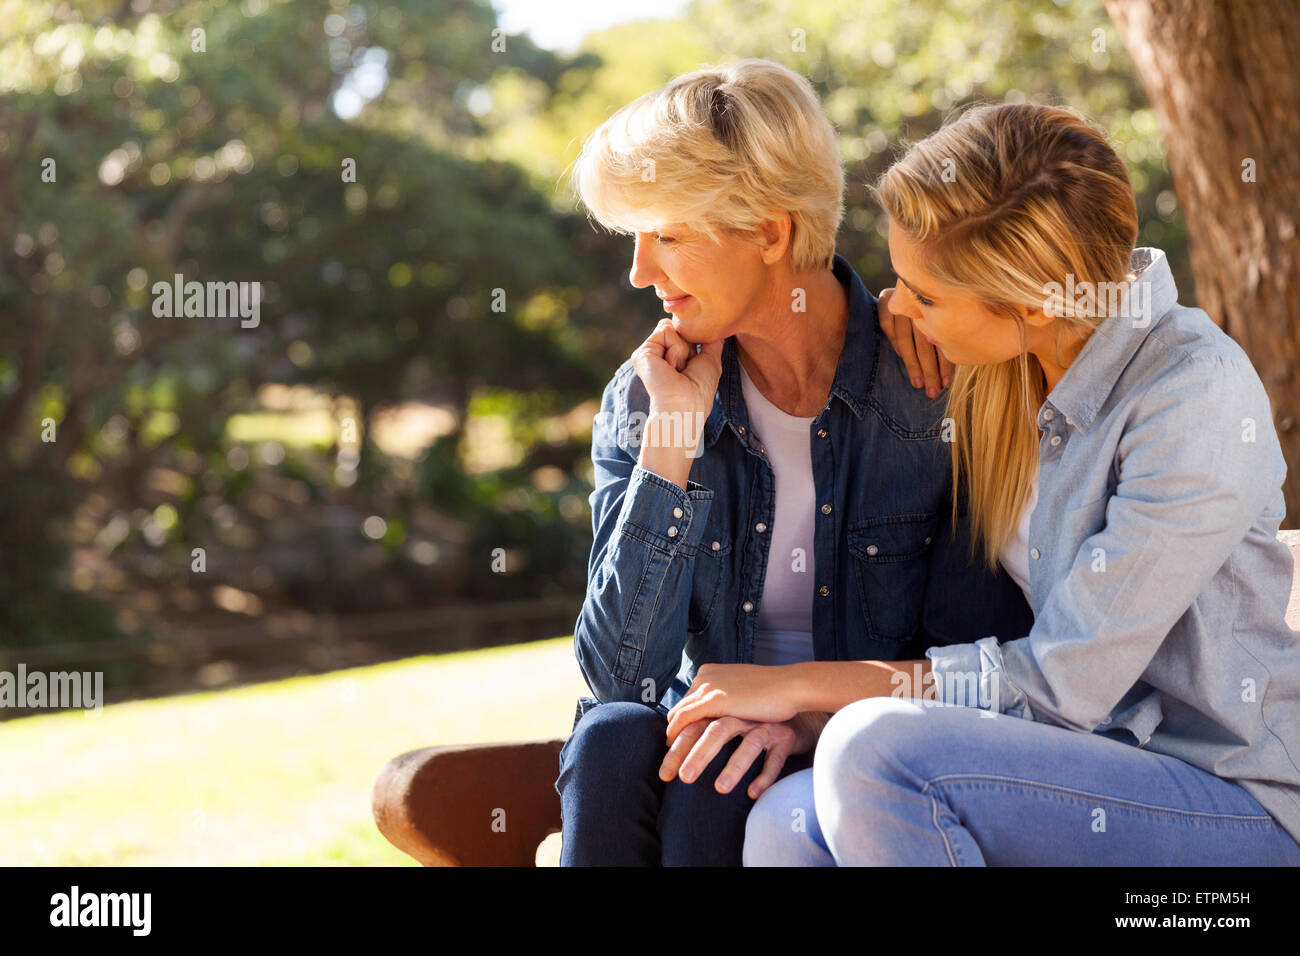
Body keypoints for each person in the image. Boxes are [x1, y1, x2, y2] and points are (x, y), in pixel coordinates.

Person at [662, 101, 1300, 866]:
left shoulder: (1192, 396)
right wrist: (802, 718)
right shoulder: (1010, 365)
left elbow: (1063, 684)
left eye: (923, 295)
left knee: (874, 749)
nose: (895, 309)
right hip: (1072, 769)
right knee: (786, 823)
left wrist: (802, 686)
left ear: (1032, 300)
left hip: (1229, 798)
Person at [555, 60, 1033, 866]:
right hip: (704, 730)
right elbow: (618, 678)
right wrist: (673, 432)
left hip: (871, 745)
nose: (639, 272)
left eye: (666, 234)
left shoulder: (932, 387)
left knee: (716, 784)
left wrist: (802, 714)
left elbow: (967, 662)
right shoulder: (645, 398)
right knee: (609, 741)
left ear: (771, 232)